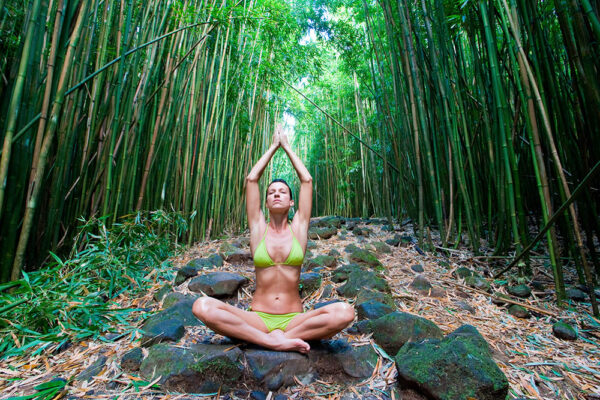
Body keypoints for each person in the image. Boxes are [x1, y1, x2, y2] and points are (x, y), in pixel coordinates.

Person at [192, 125, 355, 353]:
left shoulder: (299, 228)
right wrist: (272, 146)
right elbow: (251, 179)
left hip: (294, 320)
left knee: (345, 312)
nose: (276, 193)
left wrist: (286, 146)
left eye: (282, 192)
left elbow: (306, 180)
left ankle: (274, 337)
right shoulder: (258, 228)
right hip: (258, 317)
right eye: (271, 192)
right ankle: (272, 341)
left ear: (291, 203)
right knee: (202, 306)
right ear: (266, 203)